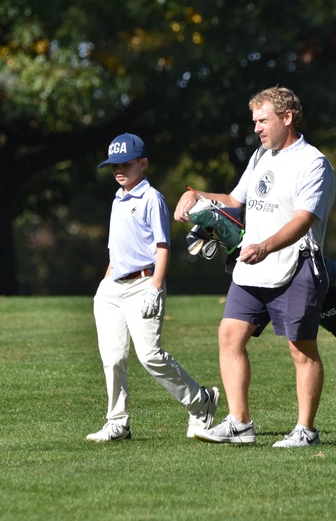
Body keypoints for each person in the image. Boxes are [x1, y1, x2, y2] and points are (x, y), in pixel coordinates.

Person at [173, 87, 336, 447]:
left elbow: (304, 220)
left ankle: (306, 430)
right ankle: (239, 423)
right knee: (230, 336)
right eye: (255, 121)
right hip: (252, 266)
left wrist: (265, 246)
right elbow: (234, 200)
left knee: (301, 349)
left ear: (287, 117)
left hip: (295, 265)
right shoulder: (261, 155)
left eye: (263, 120)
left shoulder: (313, 163)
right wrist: (195, 195)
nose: (257, 128)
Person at [86, 132, 220, 443]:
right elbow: (115, 250)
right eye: (114, 165)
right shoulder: (117, 199)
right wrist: (105, 284)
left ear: (143, 163)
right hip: (112, 289)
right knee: (112, 358)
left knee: (149, 356)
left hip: (143, 284)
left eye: (126, 164)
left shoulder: (151, 198)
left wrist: (155, 287)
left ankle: (201, 401)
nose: (119, 170)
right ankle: (117, 422)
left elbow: (163, 246)